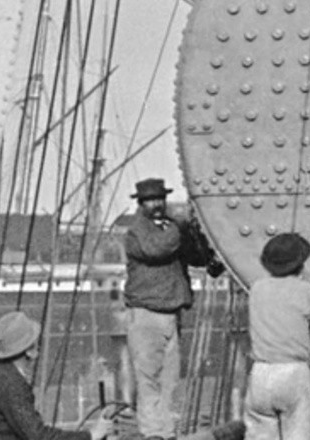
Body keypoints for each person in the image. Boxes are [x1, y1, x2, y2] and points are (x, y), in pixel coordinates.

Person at [122, 177, 224, 440]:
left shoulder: (169, 229)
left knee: (168, 380)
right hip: (147, 314)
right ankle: (153, 433)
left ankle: (166, 433)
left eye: (159, 199)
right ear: (141, 204)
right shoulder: (138, 231)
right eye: (151, 201)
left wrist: (204, 244)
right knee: (149, 380)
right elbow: (156, 249)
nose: (157, 205)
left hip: (169, 314)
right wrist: (181, 227)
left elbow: (192, 255)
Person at [0, 311, 114, 440]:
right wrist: (92, 434)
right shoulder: (11, 382)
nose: (39, 345)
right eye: (35, 341)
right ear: (29, 350)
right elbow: (38, 436)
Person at [244, 232, 310, 440]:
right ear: (301, 265)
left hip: (260, 374)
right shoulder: (308, 292)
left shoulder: (257, 289)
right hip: (293, 373)